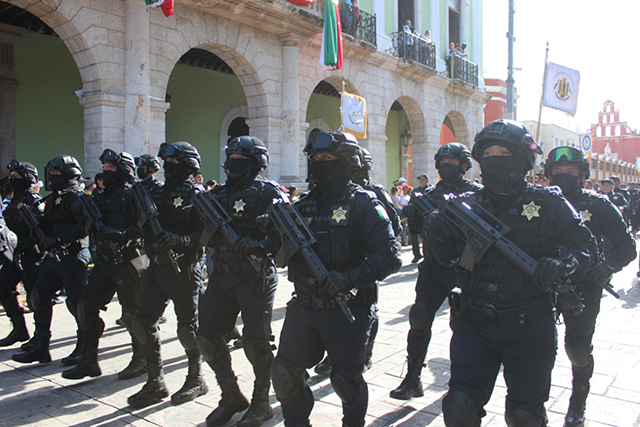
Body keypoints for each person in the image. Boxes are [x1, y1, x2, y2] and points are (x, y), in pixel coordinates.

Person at [426, 119, 595, 426]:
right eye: (487, 153)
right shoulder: (466, 205)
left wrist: (562, 265)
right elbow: (447, 259)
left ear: (521, 158)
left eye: (503, 152)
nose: (494, 159)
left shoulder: (549, 202)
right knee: (459, 406)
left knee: (523, 415)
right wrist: (434, 232)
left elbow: (585, 247)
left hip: (528, 324)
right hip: (473, 323)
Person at [270, 130, 402, 427]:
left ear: (346, 162)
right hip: (303, 305)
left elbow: (390, 256)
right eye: (315, 158)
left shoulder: (364, 203)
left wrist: (349, 278)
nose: (319, 163)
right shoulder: (302, 205)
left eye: (327, 158)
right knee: (283, 374)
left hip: (347, 309)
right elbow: (277, 249)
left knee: (345, 381)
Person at [195, 136, 286, 427]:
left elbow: (286, 236)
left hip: (254, 275)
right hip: (222, 274)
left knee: (255, 342)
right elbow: (197, 228)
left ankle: (261, 402)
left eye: (241, 159)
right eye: (231, 157)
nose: (233, 163)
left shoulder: (268, 193)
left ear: (256, 164)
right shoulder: (216, 194)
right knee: (207, 337)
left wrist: (259, 244)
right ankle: (231, 395)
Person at [544, 147, 636, 427]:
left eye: (570, 172)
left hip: (583, 287)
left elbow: (626, 246)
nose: (563, 177)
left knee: (577, 348)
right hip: (541, 286)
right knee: (537, 347)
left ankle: (577, 404)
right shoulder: (536, 202)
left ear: (583, 175)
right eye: (557, 172)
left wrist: (605, 268)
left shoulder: (598, 205)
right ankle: (532, 401)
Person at [390, 143, 482, 400]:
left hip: (465, 268)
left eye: (453, 161)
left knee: (463, 326)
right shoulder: (428, 194)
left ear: (465, 165)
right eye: (443, 161)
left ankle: (463, 383)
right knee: (419, 316)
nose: (447, 165)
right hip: (432, 267)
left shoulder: (477, 194)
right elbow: (417, 229)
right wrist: (416, 214)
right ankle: (412, 378)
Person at [127, 142, 208, 408]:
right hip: (157, 266)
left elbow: (207, 233)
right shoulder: (156, 192)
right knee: (142, 322)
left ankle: (196, 378)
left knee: (187, 328)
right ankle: (155, 380)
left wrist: (180, 238)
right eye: (167, 163)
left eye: (174, 163)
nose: (168, 167)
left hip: (183, 267)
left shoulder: (196, 193)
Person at [62, 149, 150, 381]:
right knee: (86, 307)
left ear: (123, 171)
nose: (106, 173)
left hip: (129, 260)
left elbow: (144, 227)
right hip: (104, 262)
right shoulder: (99, 197)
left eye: (111, 169)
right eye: (104, 169)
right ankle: (89, 359)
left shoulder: (135, 194)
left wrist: (118, 233)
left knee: (133, 315)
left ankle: (141, 359)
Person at [12, 155, 90, 365]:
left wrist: (58, 239)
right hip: (54, 257)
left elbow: (83, 227)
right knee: (38, 296)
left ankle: (84, 348)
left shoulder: (77, 197)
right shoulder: (54, 197)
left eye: (56, 174)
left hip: (73, 256)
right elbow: (48, 223)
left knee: (77, 305)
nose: (52, 177)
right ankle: (40, 346)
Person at [0, 160, 42, 348]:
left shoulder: (33, 201)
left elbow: (41, 232)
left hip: (31, 256)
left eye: (17, 177)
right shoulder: (15, 199)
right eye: (11, 177)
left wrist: (24, 245)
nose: (12, 180)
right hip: (14, 256)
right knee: (2, 286)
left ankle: (40, 338)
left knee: (37, 299)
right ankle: (19, 329)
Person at [410, 173, 431, 264]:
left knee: (426, 237)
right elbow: (411, 203)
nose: (421, 182)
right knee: (414, 236)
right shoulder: (415, 191)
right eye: (420, 180)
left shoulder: (431, 190)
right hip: (416, 217)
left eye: (423, 180)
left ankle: (426, 255)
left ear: (427, 181)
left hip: (426, 217)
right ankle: (417, 254)